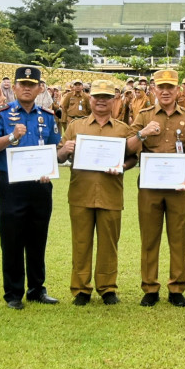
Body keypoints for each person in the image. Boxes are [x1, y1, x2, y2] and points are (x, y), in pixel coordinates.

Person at [57, 80, 142, 305]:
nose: (102, 101)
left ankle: (107, 288)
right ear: (90, 99)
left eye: (107, 97)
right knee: (81, 242)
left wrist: (123, 167)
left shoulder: (124, 129)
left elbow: (133, 157)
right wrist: (65, 149)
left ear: (114, 100)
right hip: (81, 193)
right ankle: (81, 289)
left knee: (109, 243)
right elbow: (60, 155)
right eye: (97, 97)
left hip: (110, 193)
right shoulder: (75, 126)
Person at [0, 65, 61, 309]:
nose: (27, 89)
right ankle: (14, 293)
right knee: (12, 239)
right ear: (14, 87)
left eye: (32, 85)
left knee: (38, 238)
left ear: (39, 88)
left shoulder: (47, 116)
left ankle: (37, 288)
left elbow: (54, 149)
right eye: (22, 84)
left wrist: (60, 156)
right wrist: (11, 137)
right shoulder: (1, 113)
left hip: (40, 185)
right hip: (12, 185)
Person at [131, 69, 185, 306]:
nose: (165, 91)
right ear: (154, 90)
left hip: (178, 187)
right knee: (149, 237)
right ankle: (150, 287)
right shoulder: (144, 115)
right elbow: (129, 147)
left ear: (178, 90)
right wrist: (143, 133)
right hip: (150, 186)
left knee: (178, 236)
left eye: (170, 87)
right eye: (161, 87)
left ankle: (176, 287)